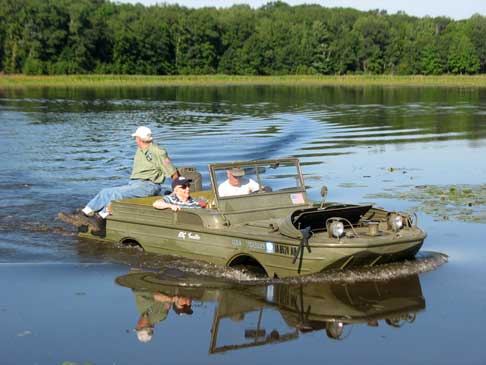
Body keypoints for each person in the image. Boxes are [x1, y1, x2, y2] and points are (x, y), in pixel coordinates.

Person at [60, 126, 178, 233]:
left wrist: (176, 191)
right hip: (136, 184)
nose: (135, 140)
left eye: (136, 137)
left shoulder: (158, 151)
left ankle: (93, 217)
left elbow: (173, 173)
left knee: (113, 193)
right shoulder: (141, 149)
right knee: (108, 193)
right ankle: (89, 214)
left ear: (139, 139)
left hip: (148, 186)